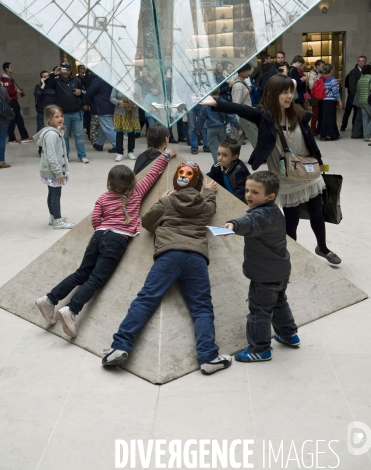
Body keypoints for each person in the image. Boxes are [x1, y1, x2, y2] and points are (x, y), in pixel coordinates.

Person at [102, 161, 232, 375]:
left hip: (168, 255)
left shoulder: (168, 201)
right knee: (201, 308)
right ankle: (208, 357)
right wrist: (208, 192)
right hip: (196, 257)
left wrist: (161, 201)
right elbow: (210, 210)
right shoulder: (204, 203)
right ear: (198, 184)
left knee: (145, 300)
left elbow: (146, 222)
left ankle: (119, 347)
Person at [200, 73, 342, 265]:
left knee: (317, 212)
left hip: (307, 172)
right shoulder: (265, 116)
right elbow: (242, 109)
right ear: (273, 94)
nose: (289, 96)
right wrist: (216, 102)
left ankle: (323, 248)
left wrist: (319, 161)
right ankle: (290, 253)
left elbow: (308, 140)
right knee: (291, 220)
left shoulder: (298, 113)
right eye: (284, 93)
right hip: (286, 178)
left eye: (291, 92)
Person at [35, 148, 176, 337]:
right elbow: (152, 174)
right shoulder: (136, 193)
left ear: (109, 182)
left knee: (81, 273)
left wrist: (103, 230)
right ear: (132, 181)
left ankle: (49, 299)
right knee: (96, 279)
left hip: (98, 235)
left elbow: (95, 220)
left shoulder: (103, 198)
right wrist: (165, 155)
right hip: (116, 240)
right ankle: (71, 310)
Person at [223, 171, 298, 362]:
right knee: (279, 303)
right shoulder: (274, 211)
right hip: (280, 270)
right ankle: (289, 334)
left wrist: (232, 224)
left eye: (255, 192)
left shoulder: (261, 215)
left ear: (269, 196)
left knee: (259, 310)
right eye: (247, 190)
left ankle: (260, 348)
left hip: (264, 275)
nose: (248, 195)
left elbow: (249, 222)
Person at [34, 105, 74, 230]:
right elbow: (52, 156)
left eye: (61, 116)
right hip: (54, 171)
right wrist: (58, 173)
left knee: (52, 193)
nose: (60, 118)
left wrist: (60, 130)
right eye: (56, 117)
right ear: (49, 118)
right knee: (56, 194)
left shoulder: (51, 131)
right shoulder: (51, 135)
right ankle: (58, 220)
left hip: (49, 170)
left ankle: (53, 217)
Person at [44, 63, 89, 163]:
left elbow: (84, 92)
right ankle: (65, 156)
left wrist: (80, 92)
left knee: (79, 136)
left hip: (77, 112)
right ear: (60, 70)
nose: (66, 72)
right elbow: (47, 85)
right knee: (64, 137)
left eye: (68, 70)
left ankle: (82, 156)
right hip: (63, 115)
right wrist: (53, 74)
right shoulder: (56, 81)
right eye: (64, 69)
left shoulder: (76, 80)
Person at [196, 88, 241, 162]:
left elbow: (201, 118)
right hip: (222, 127)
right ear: (219, 91)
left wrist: (198, 129)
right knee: (223, 147)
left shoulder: (206, 104)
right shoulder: (223, 102)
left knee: (214, 149)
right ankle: (224, 163)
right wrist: (238, 127)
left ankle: (217, 164)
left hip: (211, 128)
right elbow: (231, 116)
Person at [207, 138, 249, 203]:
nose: (220, 158)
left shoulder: (240, 170)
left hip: (241, 202)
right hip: (225, 199)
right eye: (218, 154)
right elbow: (208, 178)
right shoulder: (216, 167)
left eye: (225, 155)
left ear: (234, 157)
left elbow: (240, 194)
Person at [82, 72, 117, 153]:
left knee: (107, 127)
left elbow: (89, 92)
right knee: (104, 127)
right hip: (110, 106)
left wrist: (86, 102)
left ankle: (117, 145)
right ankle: (99, 144)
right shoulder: (110, 78)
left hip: (101, 106)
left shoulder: (98, 79)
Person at [1, 62, 32, 144]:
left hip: (14, 101)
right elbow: (7, 91)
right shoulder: (5, 79)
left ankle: (24, 136)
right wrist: (16, 91)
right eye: (11, 67)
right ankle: (11, 138)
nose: (12, 68)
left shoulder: (9, 78)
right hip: (11, 101)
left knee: (19, 120)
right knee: (12, 120)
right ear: (6, 69)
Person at [231, 64, 259, 148]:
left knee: (235, 142)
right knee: (256, 138)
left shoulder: (240, 84)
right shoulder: (239, 86)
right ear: (242, 72)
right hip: (244, 118)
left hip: (243, 117)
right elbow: (237, 104)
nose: (249, 73)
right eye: (248, 70)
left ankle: (229, 156)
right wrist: (236, 120)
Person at [110, 88, 141, 162]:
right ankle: (119, 153)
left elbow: (141, 100)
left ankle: (130, 152)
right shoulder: (117, 86)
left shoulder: (136, 85)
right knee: (119, 133)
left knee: (131, 133)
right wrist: (118, 102)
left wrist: (137, 99)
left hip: (132, 113)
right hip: (120, 112)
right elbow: (111, 98)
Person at [34, 69, 57, 156]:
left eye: (47, 76)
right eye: (44, 77)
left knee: (53, 132)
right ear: (41, 78)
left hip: (52, 113)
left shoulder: (54, 86)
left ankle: (52, 150)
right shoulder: (38, 87)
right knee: (41, 132)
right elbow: (38, 95)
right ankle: (41, 151)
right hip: (41, 113)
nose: (46, 78)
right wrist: (42, 85)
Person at [341, 55, 366, 131]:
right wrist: (355, 96)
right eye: (359, 61)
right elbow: (351, 86)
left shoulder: (364, 71)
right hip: (353, 96)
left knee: (355, 112)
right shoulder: (353, 72)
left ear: (365, 62)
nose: (360, 63)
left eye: (362, 61)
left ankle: (354, 126)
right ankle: (343, 126)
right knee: (348, 111)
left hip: (357, 95)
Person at [318, 64, 342, 141]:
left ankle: (323, 135)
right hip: (330, 101)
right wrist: (340, 101)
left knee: (323, 118)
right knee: (331, 118)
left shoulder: (321, 78)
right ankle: (332, 134)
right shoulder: (332, 79)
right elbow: (335, 91)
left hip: (322, 100)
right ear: (331, 70)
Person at [356, 64, 371, 142]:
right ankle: (367, 135)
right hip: (368, 101)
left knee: (365, 118)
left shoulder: (360, 79)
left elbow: (358, 89)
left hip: (361, 101)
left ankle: (365, 135)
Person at [308, 60, 325, 134]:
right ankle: (313, 129)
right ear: (317, 66)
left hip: (322, 96)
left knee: (321, 114)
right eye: (322, 66)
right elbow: (311, 86)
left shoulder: (323, 73)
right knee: (315, 114)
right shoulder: (312, 74)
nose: (323, 67)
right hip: (315, 96)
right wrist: (318, 79)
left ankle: (319, 129)